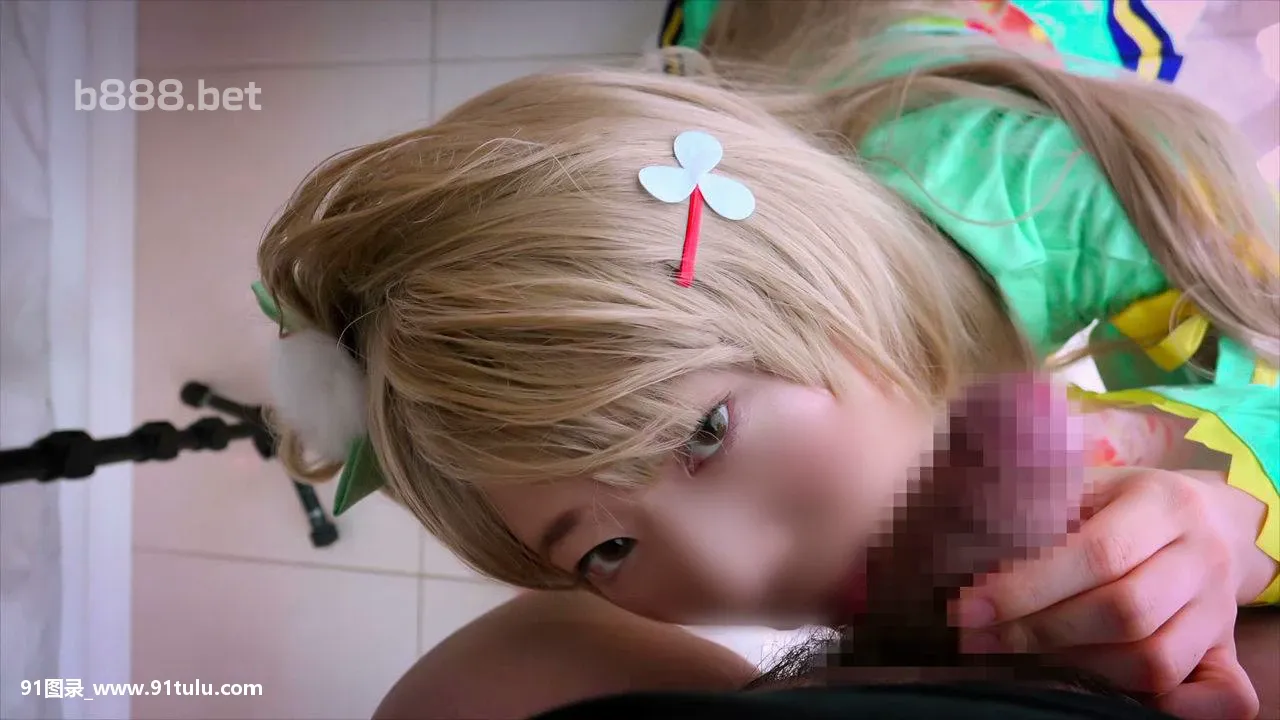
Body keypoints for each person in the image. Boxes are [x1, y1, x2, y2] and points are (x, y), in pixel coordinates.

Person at [253, 0, 1279, 716]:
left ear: (814, 277)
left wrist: (1226, 503)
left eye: (706, 432)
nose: (735, 576)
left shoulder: (1044, 192)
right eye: (606, 551)